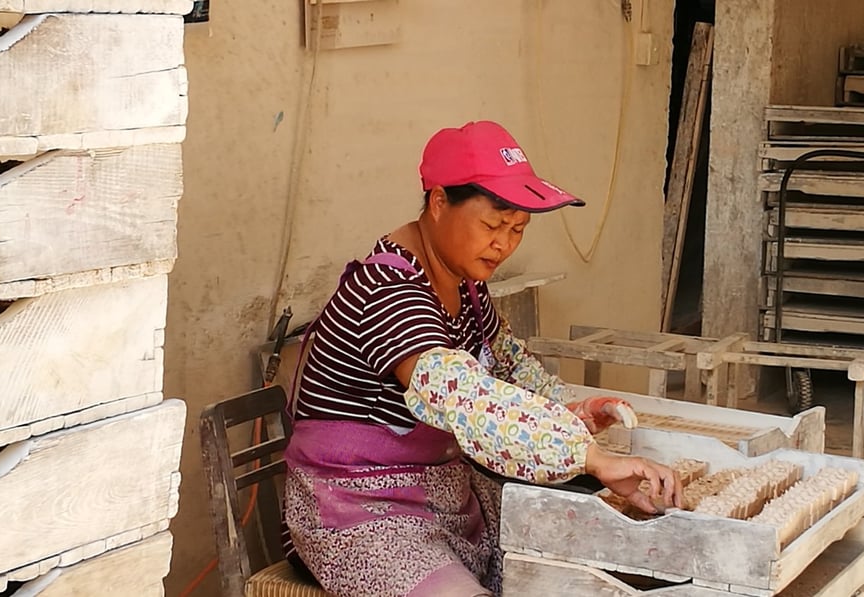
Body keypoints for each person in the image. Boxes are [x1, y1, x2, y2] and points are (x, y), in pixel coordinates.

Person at [282, 120, 685, 597]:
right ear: (437, 202)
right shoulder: (387, 292)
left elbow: (508, 365)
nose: (504, 243)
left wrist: (571, 412)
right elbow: (463, 396)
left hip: (448, 495)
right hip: (359, 511)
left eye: (518, 229)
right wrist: (587, 457)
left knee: (590, 566)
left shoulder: (467, 285)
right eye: (492, 225)